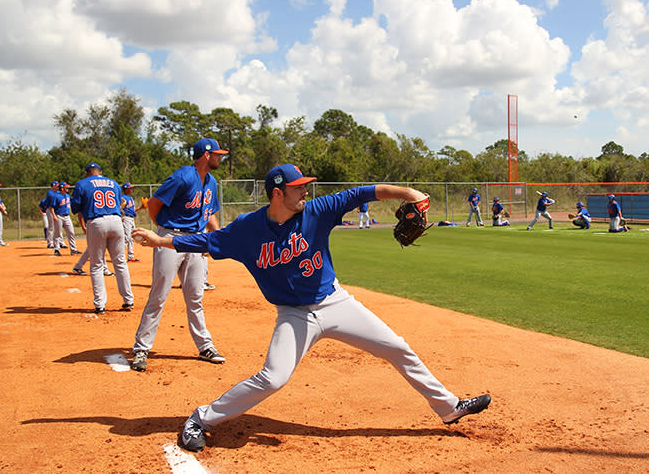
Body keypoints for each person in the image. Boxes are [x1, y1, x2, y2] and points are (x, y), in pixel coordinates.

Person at [133, 163, 491, 452]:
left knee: (397, 347)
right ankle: (200, 418)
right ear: (278, 193)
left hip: (335, 302)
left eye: (306, 186)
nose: (306, 191)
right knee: (273, 377)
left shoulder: (318, 211)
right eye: (299, 187)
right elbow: (207, 240)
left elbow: (365, 191)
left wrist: (409, 193)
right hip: (294, 314)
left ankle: (448, 407)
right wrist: (161, 239)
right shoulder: (247, 229)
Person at [129, 138, 227, 372]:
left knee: (195, 296)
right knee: (159, 295)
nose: (219, 157)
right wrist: (161, 228)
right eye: (216, 154)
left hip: (196, 239)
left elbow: (209, 213)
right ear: (206, 155)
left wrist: (219, 237)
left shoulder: (211, 181)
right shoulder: (182, 176)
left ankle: (205, 345)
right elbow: (154, 204)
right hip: (171, 236)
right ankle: (142, 347)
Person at [70, 162, 134, 314]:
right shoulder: (113, 183)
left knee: (97, 265)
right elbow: (119, 204)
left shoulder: (82, 183)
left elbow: (75, 208)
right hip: (116, 220)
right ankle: (128, 300)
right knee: (120, 263)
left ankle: (100, 304)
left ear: (87, 173)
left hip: (97, 221)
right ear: (101, 172)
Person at [54, 182, 82, 255]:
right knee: (57, 233)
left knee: (71, 233)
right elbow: (51, 207)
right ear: (62, 188)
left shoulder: (67, 196)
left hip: (67, 216)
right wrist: (54, 216)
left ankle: (73, 250)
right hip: (59, 216)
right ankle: (57, 249)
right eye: (66, 187)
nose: (67, 189)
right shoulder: (56, 196)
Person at [120, 182, 143, 262]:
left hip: (131, 218)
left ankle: (130, 256)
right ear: (126, 189)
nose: (131, 189)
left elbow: (132, 210)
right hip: (125, 218)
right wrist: (120, 217)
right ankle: (119, 256)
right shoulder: (122, 198)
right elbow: (119, 208)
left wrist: (141, 207)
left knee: (132, 237)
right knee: (126, 238)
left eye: (131, 188)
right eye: (130, 188)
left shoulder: (130, 198)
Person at [43, 181, 62, 250]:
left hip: (57, 210)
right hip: (50, 210)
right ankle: (50, 243)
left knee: (59, 226)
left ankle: (60, 242)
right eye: (56, 186)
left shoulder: (57, 192)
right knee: (51, 226)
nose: (58, 187)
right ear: (53, 186)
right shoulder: (50, 192)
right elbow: (55, 197)